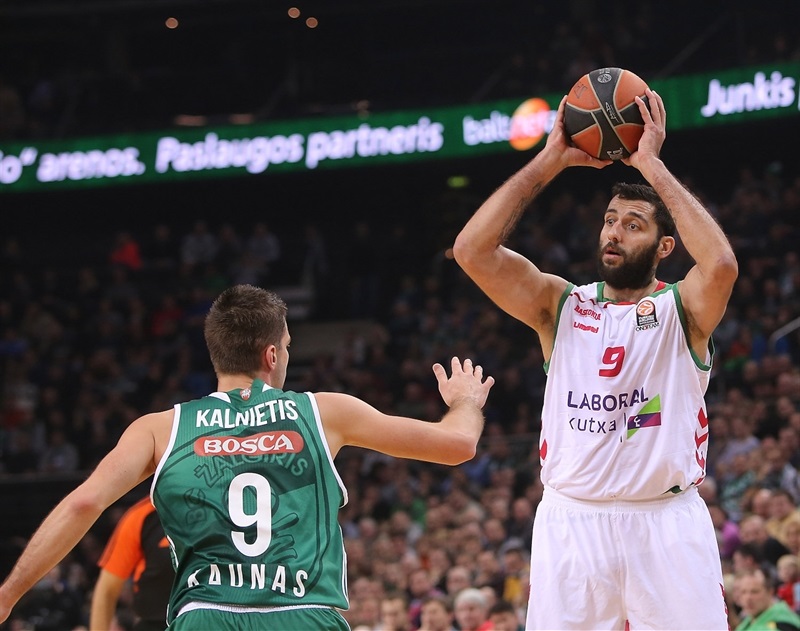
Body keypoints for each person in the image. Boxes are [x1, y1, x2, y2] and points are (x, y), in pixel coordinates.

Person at [0, 285, 494, 630]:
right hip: (303, 613)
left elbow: (83, 505)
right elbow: (457, 446)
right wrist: (466, 403)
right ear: (273, 355)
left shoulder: (159, 428)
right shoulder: (324, 412)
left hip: (204, 616)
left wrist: (7, 594)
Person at [453, 87, 738, 630]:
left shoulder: (684, 309)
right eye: (610, 220)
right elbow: (472, 251)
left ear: (663, 247)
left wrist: (652, 166)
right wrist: (550, 159)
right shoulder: (559, 305)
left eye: (634, 225)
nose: (614, 232)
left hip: (666, 521)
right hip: (571, 519)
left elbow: (721, 264)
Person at [90, 496, 173, 631]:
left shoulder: (218, 506)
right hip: (156, 623)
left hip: (213, 619)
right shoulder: (143, 515)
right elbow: (107, 590)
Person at [734, 568, 800, 630]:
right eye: (743, 592)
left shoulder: (783, 624)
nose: (748, 598)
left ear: (770, 592)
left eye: (754, 592)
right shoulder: (746, 623)